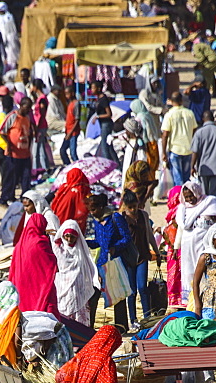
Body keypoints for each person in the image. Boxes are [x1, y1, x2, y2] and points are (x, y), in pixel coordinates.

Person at [173, 180, 216, 307]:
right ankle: (192, 302)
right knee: (189, 272)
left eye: (191, 195)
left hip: (203, 245)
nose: (190, 199)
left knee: (203, 269)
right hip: (187, 246)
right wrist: (177, 246)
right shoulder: (182, 208)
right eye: (187, 197)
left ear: (197, 192)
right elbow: (181, 229)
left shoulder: (209, 202)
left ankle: (206, 298)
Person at [96, 191, 138, 328]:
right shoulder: (97, 221)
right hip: (103, 261)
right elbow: (98, 242)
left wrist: (115, 247)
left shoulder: (115, 218)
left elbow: (126, 238)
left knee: (119, 292)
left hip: (117, 260)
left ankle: (121, 326)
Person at [10, 213, 59, 314]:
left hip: (21, 283)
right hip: (39, 285)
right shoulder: (40, 243)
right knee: (45, 304)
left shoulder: (20, 244)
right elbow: (51, 262)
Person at [53, 220, 99, 326]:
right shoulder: (57, 249)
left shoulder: (80, 251)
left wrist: (95, 279)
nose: (69, 239)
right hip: (63, 290)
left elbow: (88, 266)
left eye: (72, 237)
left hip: (79, 292)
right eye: (67, 236)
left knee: (80, 323)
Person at [0, 99, 33, 205]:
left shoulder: (27, 118)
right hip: (13, 154)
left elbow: (30, 134)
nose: (28, 110)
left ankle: (25, 198)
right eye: (27, 107)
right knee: (10, 178)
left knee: (25, 177)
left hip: (25, 153)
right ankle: (5, 198)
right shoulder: (12, 116)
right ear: (21, 106)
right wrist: (9, 144)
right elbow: (1, 131)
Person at [161, 91, 197, 188]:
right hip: (188, 150)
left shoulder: (169, 115)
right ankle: (186, 199)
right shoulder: (189, 113)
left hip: (175, 150)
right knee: (186, 179)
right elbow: (194, 131)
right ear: (181, 100)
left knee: (178, 179)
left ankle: (180, 199)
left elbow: (165, 135)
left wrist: (164, 152)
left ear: (171, 101)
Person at [190, 111, 216, 199]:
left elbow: (195, 151)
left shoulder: (199, 133)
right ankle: (214, 209)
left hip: (204, 168)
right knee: (215, 194)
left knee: (203, 194)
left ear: (203, 119)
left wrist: (192, 166)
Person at [92, 82, 118, 164]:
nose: (92, 90)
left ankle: (108, 165)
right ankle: (116, 164)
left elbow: (109, 114)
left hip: (106, 124)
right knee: (109, 145)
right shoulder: (99, 98)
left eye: (93, 88)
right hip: (102, 124)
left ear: (98, 88)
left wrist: (98, 117)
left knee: (104, 146)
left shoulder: (103, 99)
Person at [61, 87, 81, 165]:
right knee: (62, 150)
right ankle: (68, 166)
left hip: (73, 132)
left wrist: (70, 132)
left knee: (73, 154)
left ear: (72, 93)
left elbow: (77, 120)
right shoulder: (69, 104)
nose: (66, 96)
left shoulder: (76, 104)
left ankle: (79, 167)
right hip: (68, 131)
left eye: (67, 93)